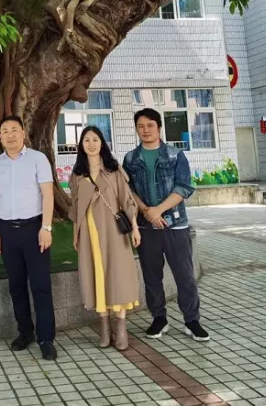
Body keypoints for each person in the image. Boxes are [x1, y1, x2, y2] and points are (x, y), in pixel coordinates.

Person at [122, 108, 210, 342]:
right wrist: (146, 212)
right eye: (141, 126)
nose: (145, 130)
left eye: (150, 125)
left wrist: (157, 211)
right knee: (152, 277)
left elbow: (183, 188)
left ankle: (192, 321)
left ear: (159, 127)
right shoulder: (131, 159)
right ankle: (159, 318)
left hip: (175, 226)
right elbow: (128, 191)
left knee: (185, 276)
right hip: (146, 228)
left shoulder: (175, 155)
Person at [0, 115, 58, 361]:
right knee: (16, 286)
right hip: (7, 230)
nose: (10, 134)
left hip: (34, 228)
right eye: (4, 131)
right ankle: (25, 332)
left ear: (23, 133)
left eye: (14, 130)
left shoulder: (38, 159)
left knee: (40, 285)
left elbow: (48, 195)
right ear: (0, 137)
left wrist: (46, 227)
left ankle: (46, 338)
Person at [70, 126, 142, 351]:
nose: (91, 144)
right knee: (96, 276)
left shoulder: (113, 169)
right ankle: (104, 327)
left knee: (117, 276)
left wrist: (135, 227)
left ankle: (120, 328)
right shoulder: (77, 174)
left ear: (102, 143)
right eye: (86, 140)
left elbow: (127, 201)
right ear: (81, 145)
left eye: (95, 139)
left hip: (113, 231)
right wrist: (76, 233)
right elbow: (75, 206)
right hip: (89, 231)